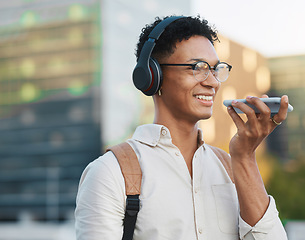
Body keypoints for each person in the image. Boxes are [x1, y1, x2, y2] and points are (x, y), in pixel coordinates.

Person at [75, 15, 289, 240]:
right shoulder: (110, 172)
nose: (213, 82)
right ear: (152, 76)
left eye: (216, 69)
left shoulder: (231, 168)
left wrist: (245, 158)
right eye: (198, 67)